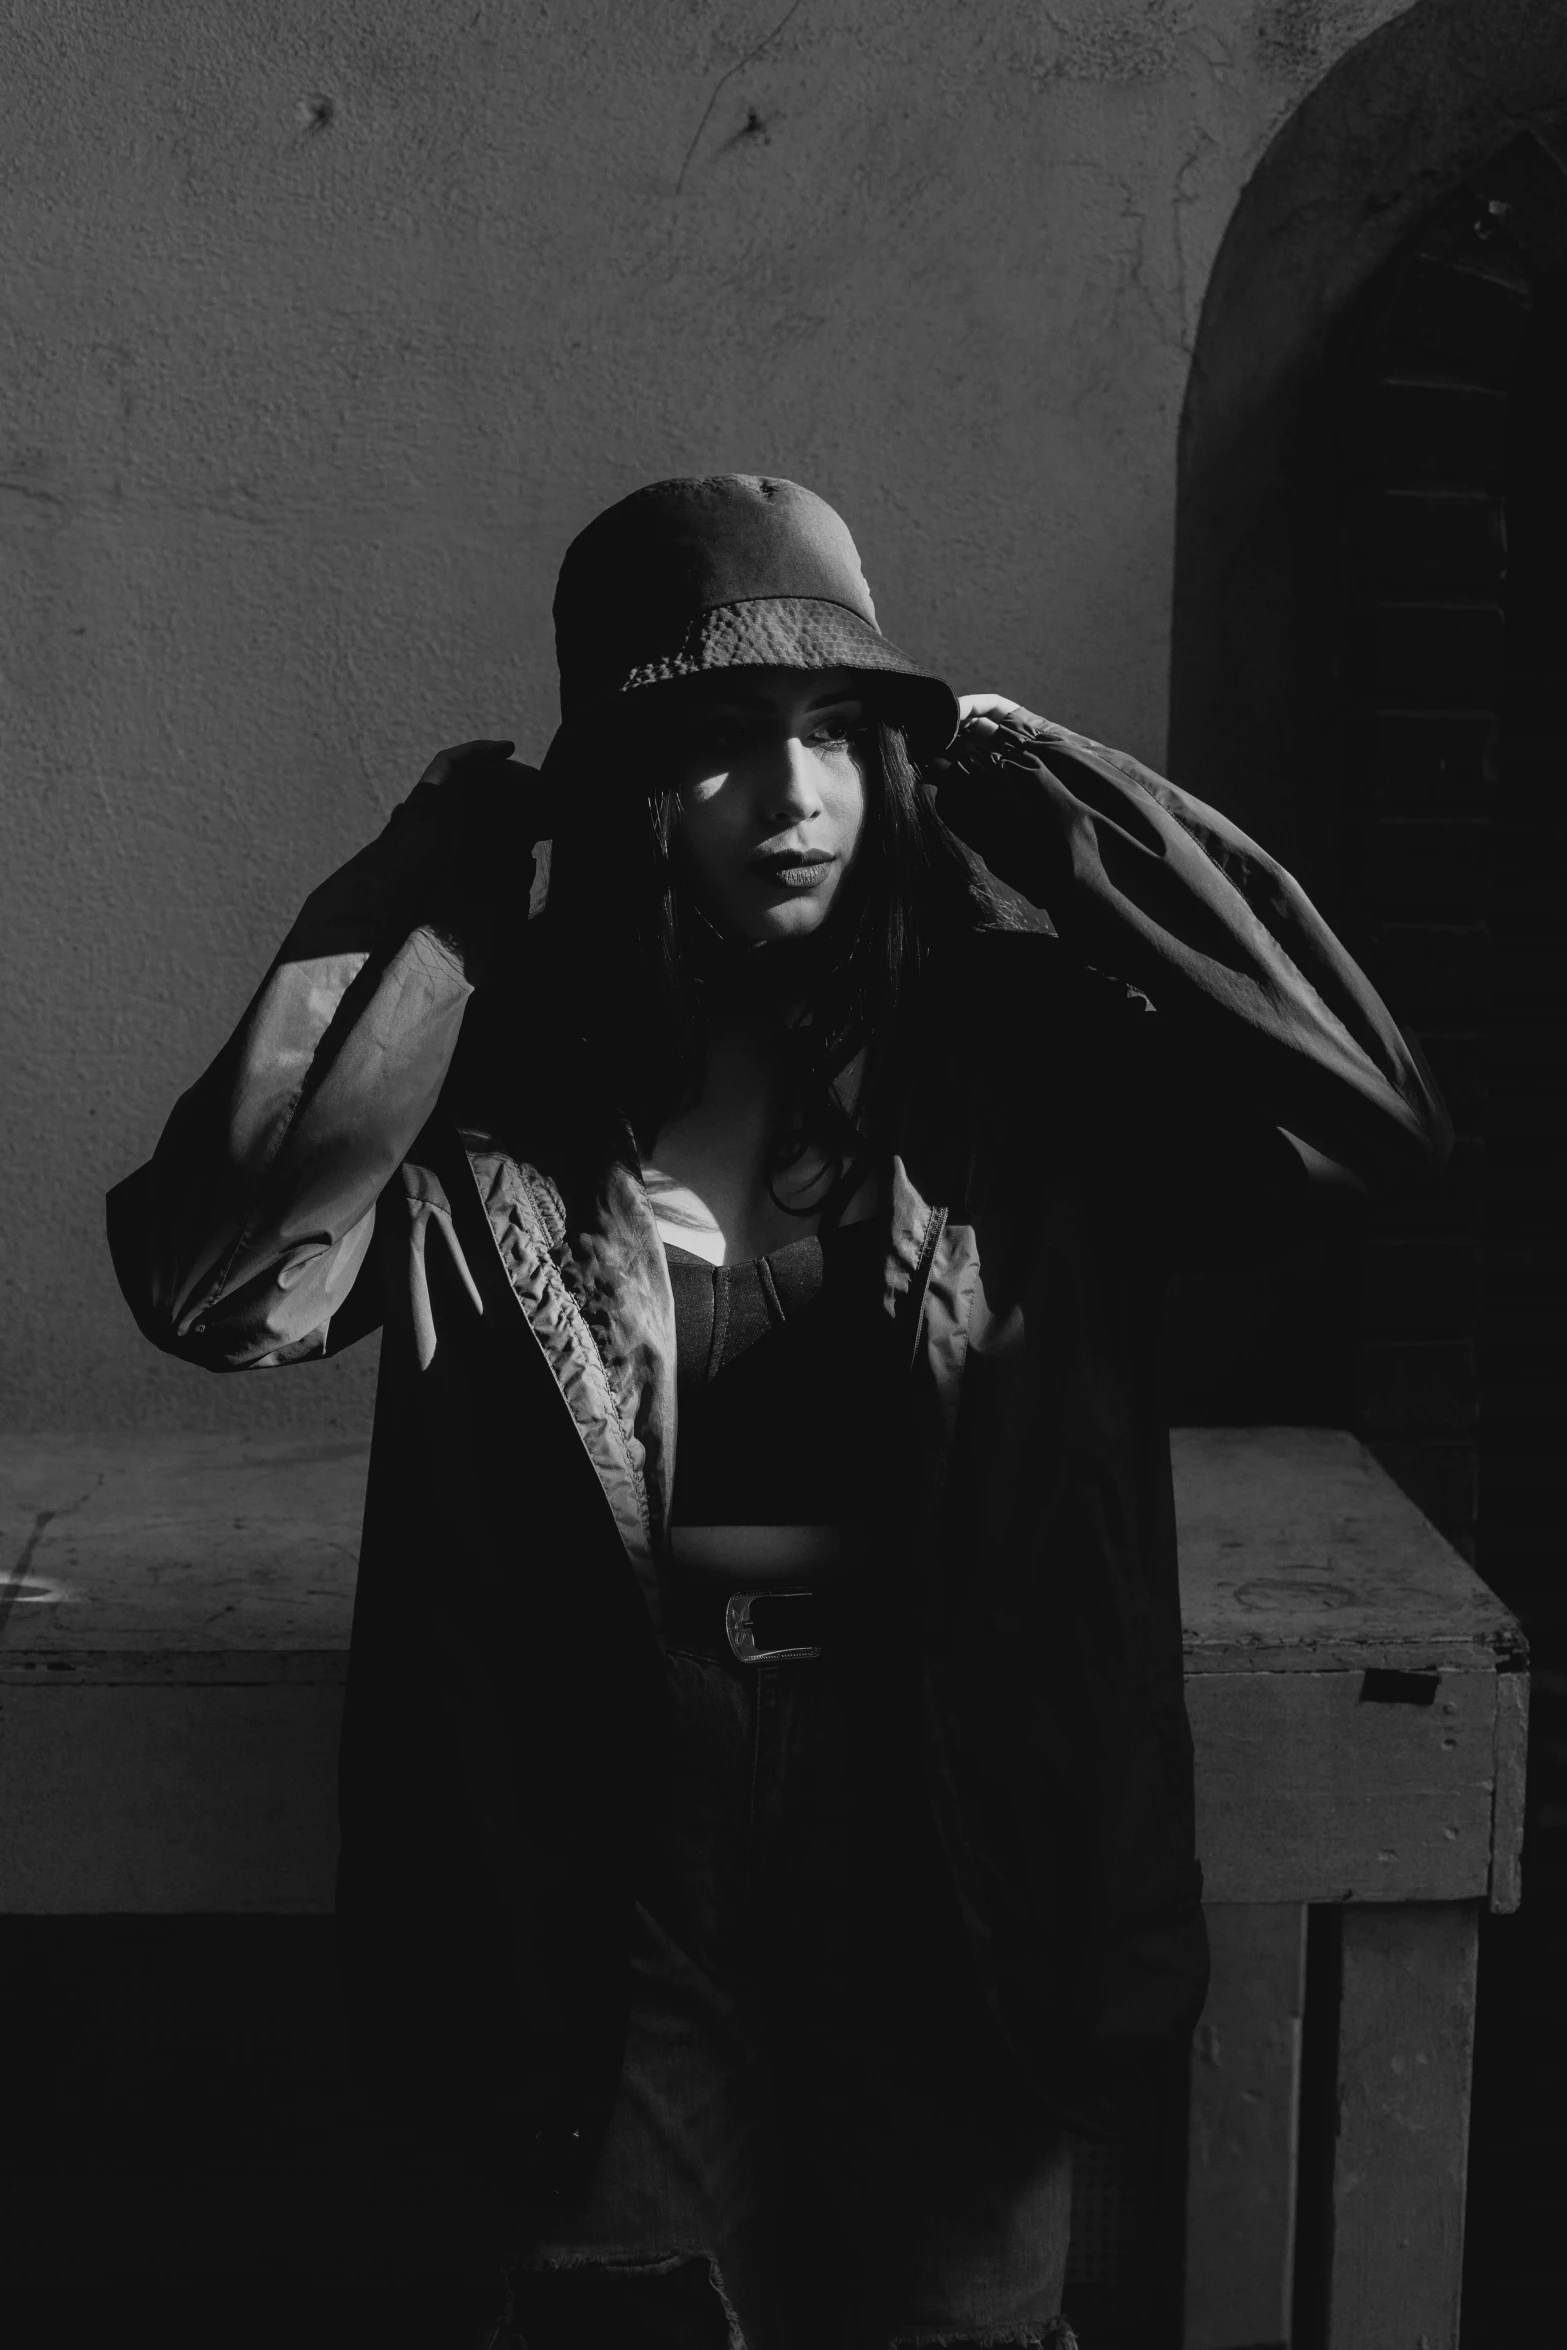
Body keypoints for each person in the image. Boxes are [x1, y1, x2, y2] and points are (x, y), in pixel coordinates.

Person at [107, 474, 1450, 2349]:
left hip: (947, 1788)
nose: (794, 795)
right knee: (629, 2318)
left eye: (840, 733)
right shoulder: (501, 1094)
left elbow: (1356, 1115)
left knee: (958, 2328)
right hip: (614, 1815)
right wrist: (436, 886)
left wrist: (1028, 778)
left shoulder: (1016, 1059)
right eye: (722, 743)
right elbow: (214, 1285)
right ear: (627, 787)